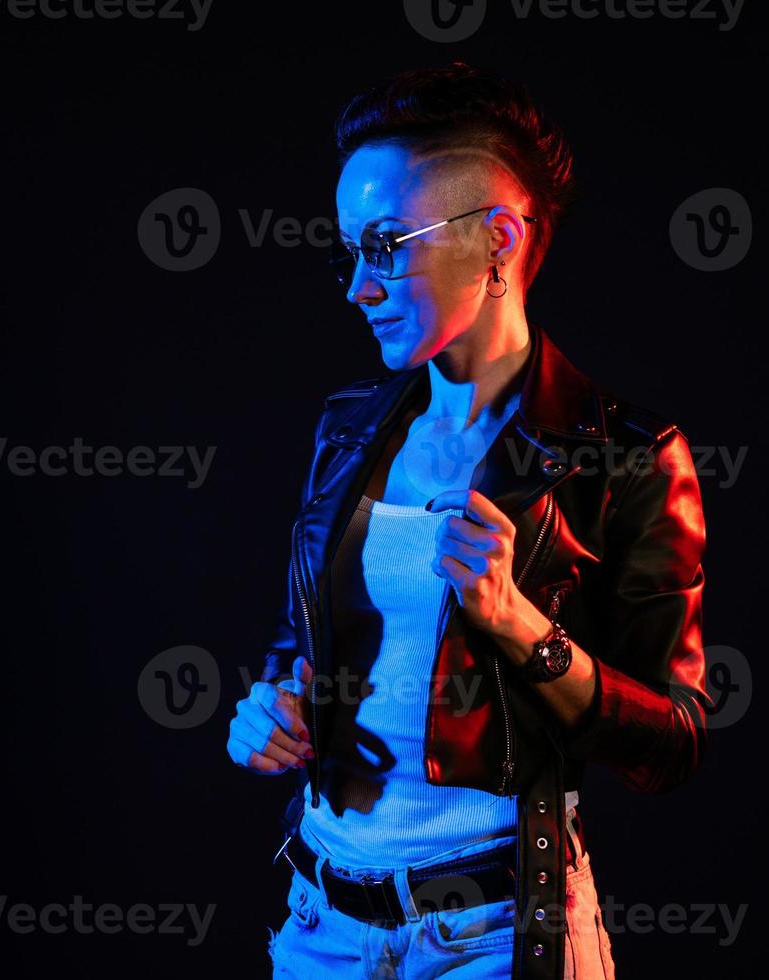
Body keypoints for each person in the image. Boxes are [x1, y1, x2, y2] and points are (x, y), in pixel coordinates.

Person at [226, 63, 712, 978]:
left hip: (495, 932)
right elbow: (303, 645)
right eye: (347, 253)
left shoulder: (626, 457)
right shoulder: (349, 430)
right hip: (323, 922)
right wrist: (273, 708)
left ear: (498, 239)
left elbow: (675, 741)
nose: (356, 288)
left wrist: (523, 625)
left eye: (383, 246)